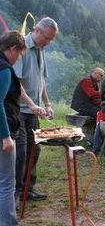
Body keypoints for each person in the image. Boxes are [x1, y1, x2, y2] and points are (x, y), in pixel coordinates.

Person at [14, 17, 59, 203]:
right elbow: (15, 82)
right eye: (46, 38)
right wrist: (32, 105)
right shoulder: (21, 46)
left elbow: (41, 81)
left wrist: (46, 104)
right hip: (18, 110)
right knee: (21, 152)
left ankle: (28, 189)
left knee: (35, 149)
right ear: (37, 30)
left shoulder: (41, 51)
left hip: (33, 112)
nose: (48, 43)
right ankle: (15, 194)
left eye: (51, 40)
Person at [0, 31, 43, 225]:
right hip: (5, 129)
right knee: (7, 183)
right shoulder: (4, 69)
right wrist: (6, 137)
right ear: (11, 49)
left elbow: (17, 88)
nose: (18, 58)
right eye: (18, 53)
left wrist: (33, 105)